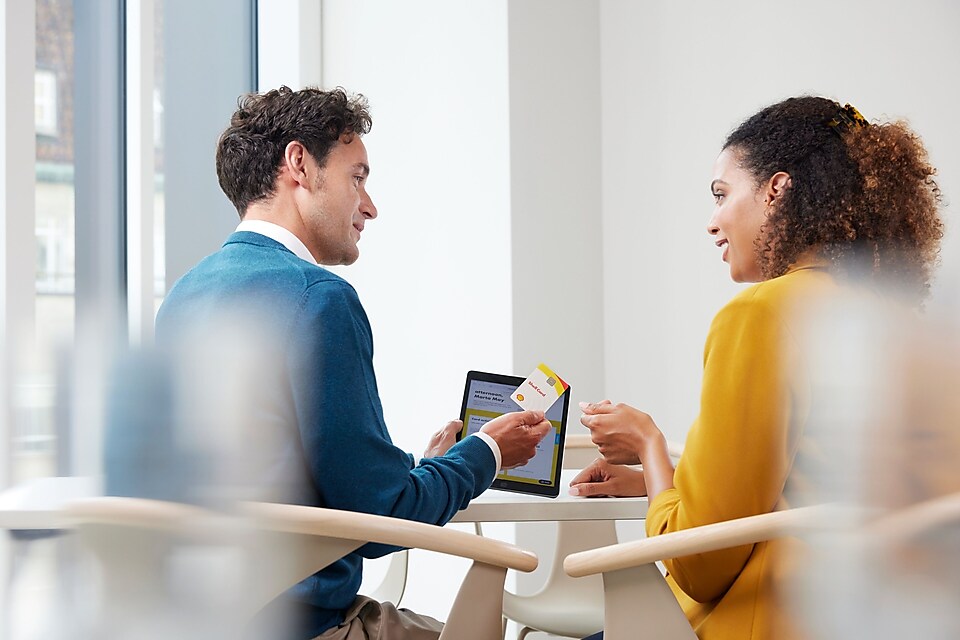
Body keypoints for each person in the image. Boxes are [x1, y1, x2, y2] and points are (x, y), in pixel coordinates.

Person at [153, 86, 552, 640]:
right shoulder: (319, 297)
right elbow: (381, 521)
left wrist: (421, 469)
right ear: (299, 165)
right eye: (357, 177)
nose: (370, 205)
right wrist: (486, 452)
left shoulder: (184, 296)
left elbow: (292, 482)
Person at [570, 96, 943, 640]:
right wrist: (659, 483)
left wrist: (649, 444)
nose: (713, 223)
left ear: (777, 189)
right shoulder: (897, 323)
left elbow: (701, 565)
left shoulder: (761, 314)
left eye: (722, 195)